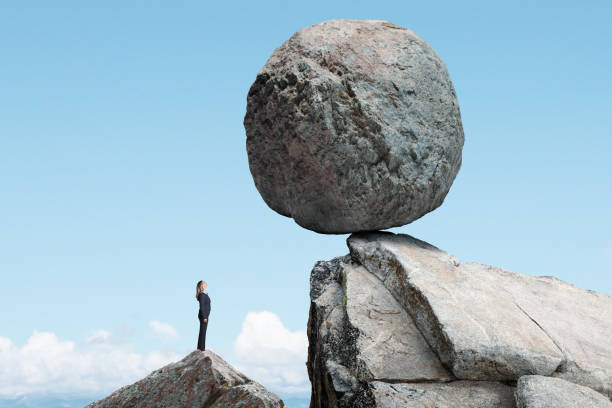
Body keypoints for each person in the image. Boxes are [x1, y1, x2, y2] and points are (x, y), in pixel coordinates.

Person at [196, 280, 211, 351]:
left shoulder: (204, 294)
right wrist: (204, 316)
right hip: (203, 316)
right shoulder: (202, 295)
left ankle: (201, 347)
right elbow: (201, 306)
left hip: (205, 315)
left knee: (203, 331)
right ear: (202, 285)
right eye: (204, 283)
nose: (206, 284)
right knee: (202, 331)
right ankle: (201, 348)